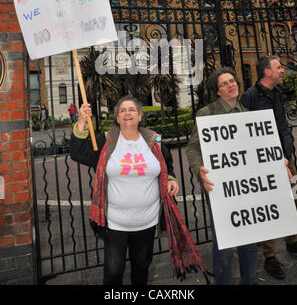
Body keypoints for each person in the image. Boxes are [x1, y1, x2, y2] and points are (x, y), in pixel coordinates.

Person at [69, 95, 208, 286]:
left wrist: (171, 178)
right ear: (117, 117)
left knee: (141, 265)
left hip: (147, 220)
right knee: (113, 270)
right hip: (115, 222)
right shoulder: (106, 140)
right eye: (122, 110)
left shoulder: (153, 140)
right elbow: (78, 153)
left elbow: (165, 163)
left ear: (140, 115)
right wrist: (82, 122)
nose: (127, 113)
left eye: (132, 109)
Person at [186, 66, 258, 285]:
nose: (231, 84)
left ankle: (250, 281)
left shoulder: (245, 113)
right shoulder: (207, 114)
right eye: (224, 83)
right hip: (220, 189)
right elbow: (192, 148)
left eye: (232, 81)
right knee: (225, 245)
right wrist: (199, 169)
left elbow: (257, 148)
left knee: (250, 242)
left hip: (246, 187)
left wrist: (275, 161)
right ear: (217, 91)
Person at [241, 55, 297, 280]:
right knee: (267, 205)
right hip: (263, 160)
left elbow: (283, 126)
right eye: (278, 67)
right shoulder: (250, 96)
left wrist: (287, 154)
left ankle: (293, 242)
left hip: (286, 158)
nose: (282, 70)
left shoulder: (277, 93)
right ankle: (270, 256)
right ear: (267, 72)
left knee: (293, 199)